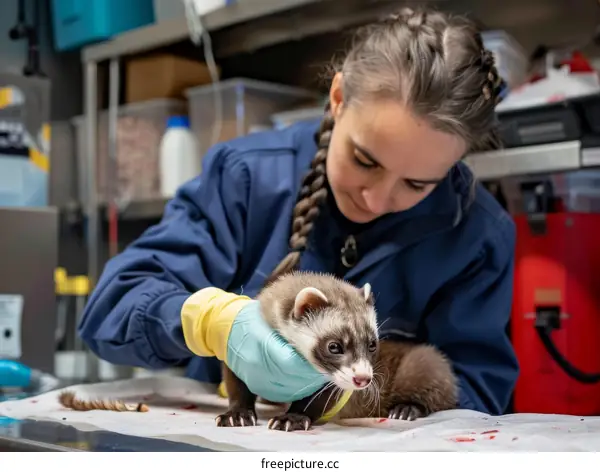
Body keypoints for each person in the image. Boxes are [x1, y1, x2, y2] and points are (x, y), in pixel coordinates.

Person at [78, 7, 519, 416]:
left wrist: (355, 404)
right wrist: (210, 322)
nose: (375, 199)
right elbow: (110, 309)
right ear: (339, 97)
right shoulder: (247, 178)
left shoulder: (479, 234)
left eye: (417, 184)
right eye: (365, 161)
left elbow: (478, 392)